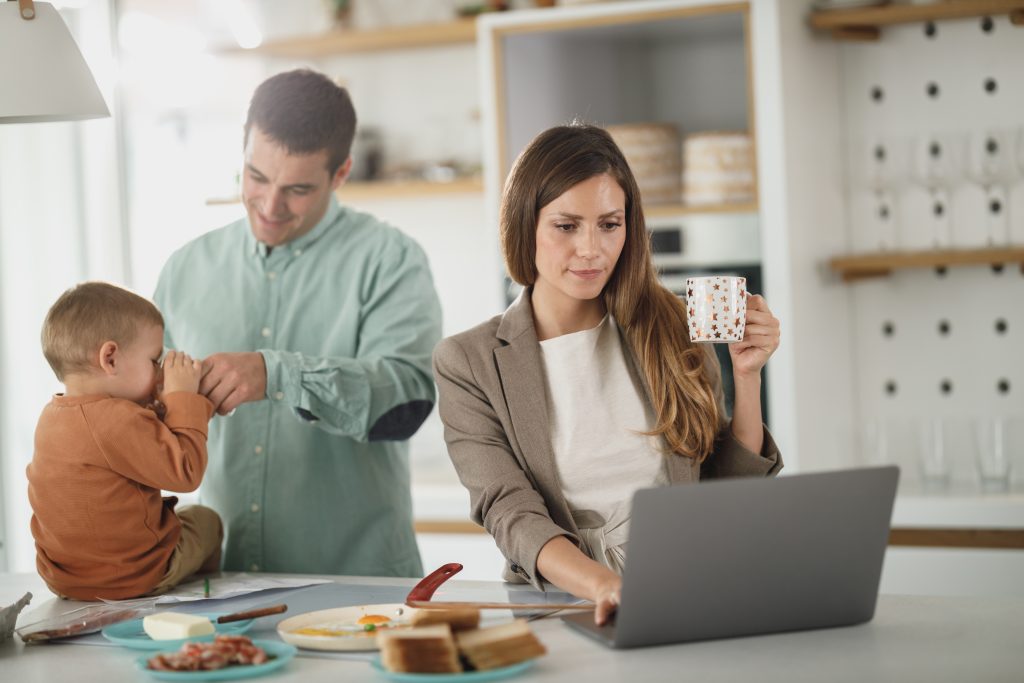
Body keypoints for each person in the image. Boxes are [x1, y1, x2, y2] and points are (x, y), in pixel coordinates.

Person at [433, 123, 782, 625]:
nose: (591, 249)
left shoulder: (673, 325)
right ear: (523, 224)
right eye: (566, 225)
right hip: (560, 605)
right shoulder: (469, 361)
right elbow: (511, 513)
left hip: (691, 586)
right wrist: (608, 586)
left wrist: (747, 376)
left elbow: (725, 491)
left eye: (609, 224)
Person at [154, 69, 442, 577]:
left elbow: (410, 398)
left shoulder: (391, 259)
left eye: (298, 189)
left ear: (341, 173)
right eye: (256, 177)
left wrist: (280, 375)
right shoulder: (185, 268)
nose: (269, 206)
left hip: (359, 586)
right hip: (221, 585)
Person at [26, 282, 221, 600]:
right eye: (154, 360)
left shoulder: (52, 417)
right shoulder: (116, 418)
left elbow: (126, 448)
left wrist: (164, 406)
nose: (159, 373)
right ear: (111, 358)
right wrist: (184, 396)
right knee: (207, 520)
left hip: (66, 579)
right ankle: (206, 594)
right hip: (132, 577)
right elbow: (185, 472)